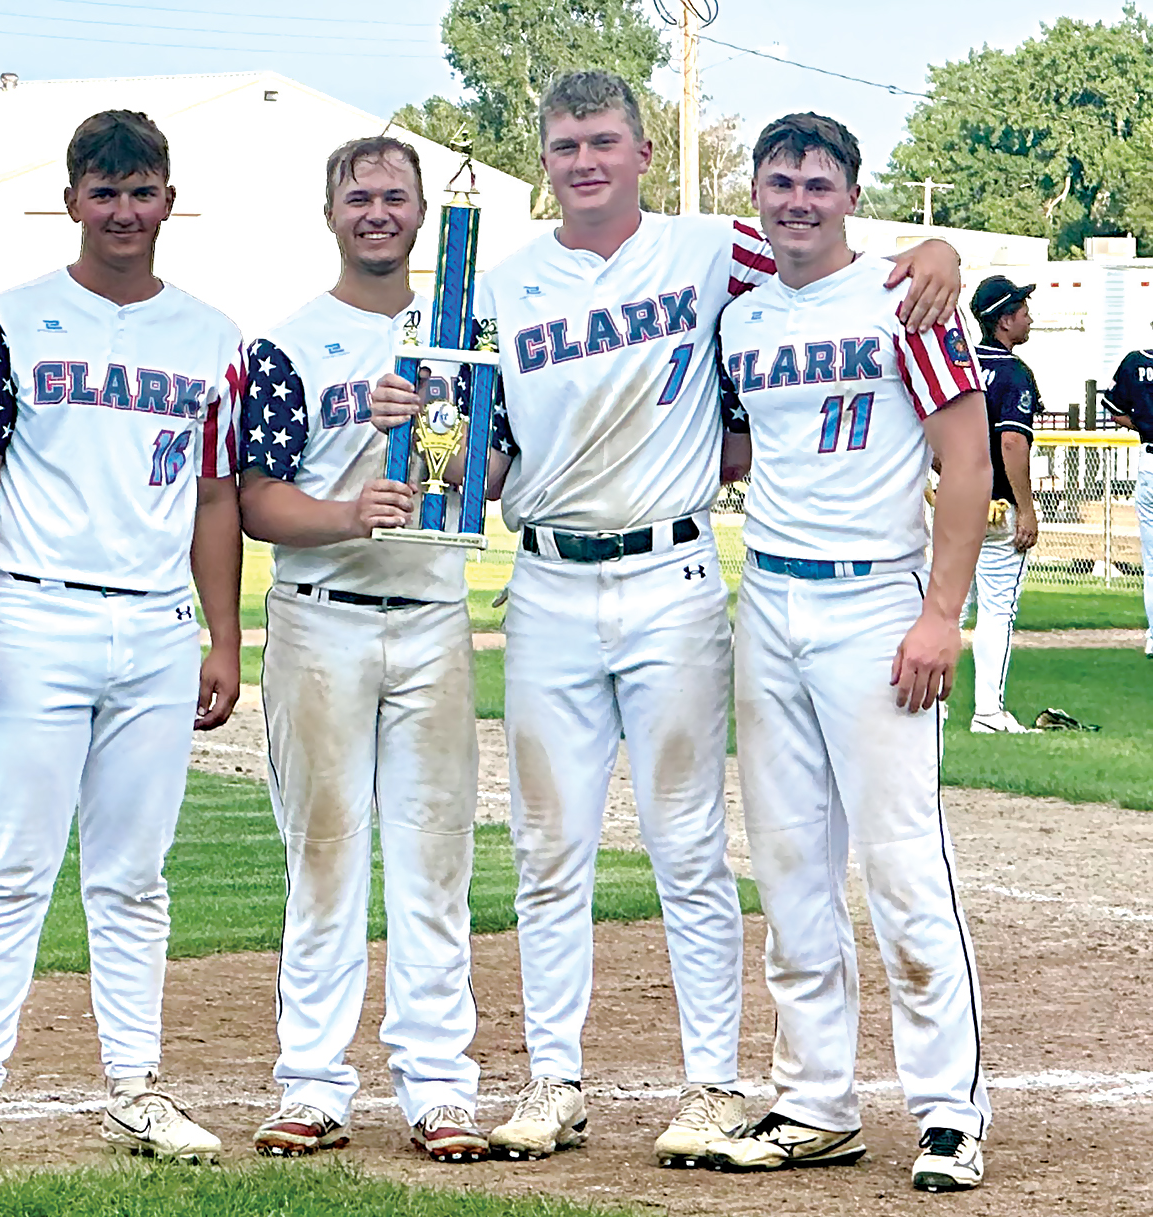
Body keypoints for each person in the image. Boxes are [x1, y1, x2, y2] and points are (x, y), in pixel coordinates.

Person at [372, 69, 963, 1167]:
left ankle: (712, 1081)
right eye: (564, 146)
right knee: (550, 847)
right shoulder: (500, 288)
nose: (585, 160)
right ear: (542, 160)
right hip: (547, 577)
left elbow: (824, 252)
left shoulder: (709, 250)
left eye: (604, 141)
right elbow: (482, 460)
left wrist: (936, 256)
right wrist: (425, 426)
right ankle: (556, 1076)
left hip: (674, 575)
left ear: (642, 151)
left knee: (690, 847)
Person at [0, 110, 243, 1171]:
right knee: (10, 864)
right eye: (103, 194)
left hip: (154, 624)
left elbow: (213, 499)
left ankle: (135, 1087)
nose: (124, 212)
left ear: (168, 198)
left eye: (142, 190)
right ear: (71, 203)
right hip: (35, 613)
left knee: (134, 873)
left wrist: (224, 636)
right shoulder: (8, 320)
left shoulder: (210, 337)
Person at [708, 112, 992, 1192]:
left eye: (818, 183)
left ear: (851, 192)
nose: (796, 200)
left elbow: (963, 462)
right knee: (789, 866)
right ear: (758, 190)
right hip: (771, 600)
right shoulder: (743, 311)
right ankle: (815, 1096)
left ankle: (949, 1108)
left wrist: (941, 612)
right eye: (779, 181)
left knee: (904, 861)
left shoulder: (901, 295)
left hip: (875, 602)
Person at [238, 136, 485, 1164]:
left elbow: (493, 471)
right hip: (322, 608)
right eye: (359, 197)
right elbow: (255, 499)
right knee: (326, 853)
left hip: (430, 610)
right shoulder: (289, 342)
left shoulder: (464, 332)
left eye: (394, 196)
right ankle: (313, 1080)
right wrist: (347, 507)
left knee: (434, 856)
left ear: (424, 212)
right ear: (331, 213)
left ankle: (438, 1084)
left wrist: (445, 424)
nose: (377, 211)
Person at [963, 275, 1042, 731]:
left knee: (951, 608)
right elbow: (1012, 442)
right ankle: (988, 711)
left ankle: (936, 706)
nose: (1029, 316)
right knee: (997, 608)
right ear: (1005, 320)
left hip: (955, 502)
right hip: (997, 506)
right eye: (1023, 309)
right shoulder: (1012, 372)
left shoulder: (959, 363)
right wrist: (1027, 508)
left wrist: (951, 478)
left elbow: (932, 433)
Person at [1102, 327, 1153, 658]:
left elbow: (1114, 408)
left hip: (1149, 460)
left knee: (1152, 561)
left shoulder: (1135, 363)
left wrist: (1143, 425)